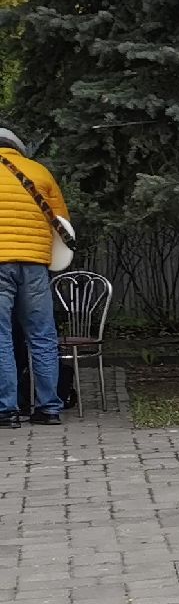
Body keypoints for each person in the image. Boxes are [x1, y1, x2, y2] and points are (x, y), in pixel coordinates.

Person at [0, 127, 67, 428]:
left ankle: (7, 411)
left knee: (1, 338)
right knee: (42, 336)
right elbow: (62, 222)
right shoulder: (38, 171)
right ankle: (48, 409)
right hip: (35, 264)